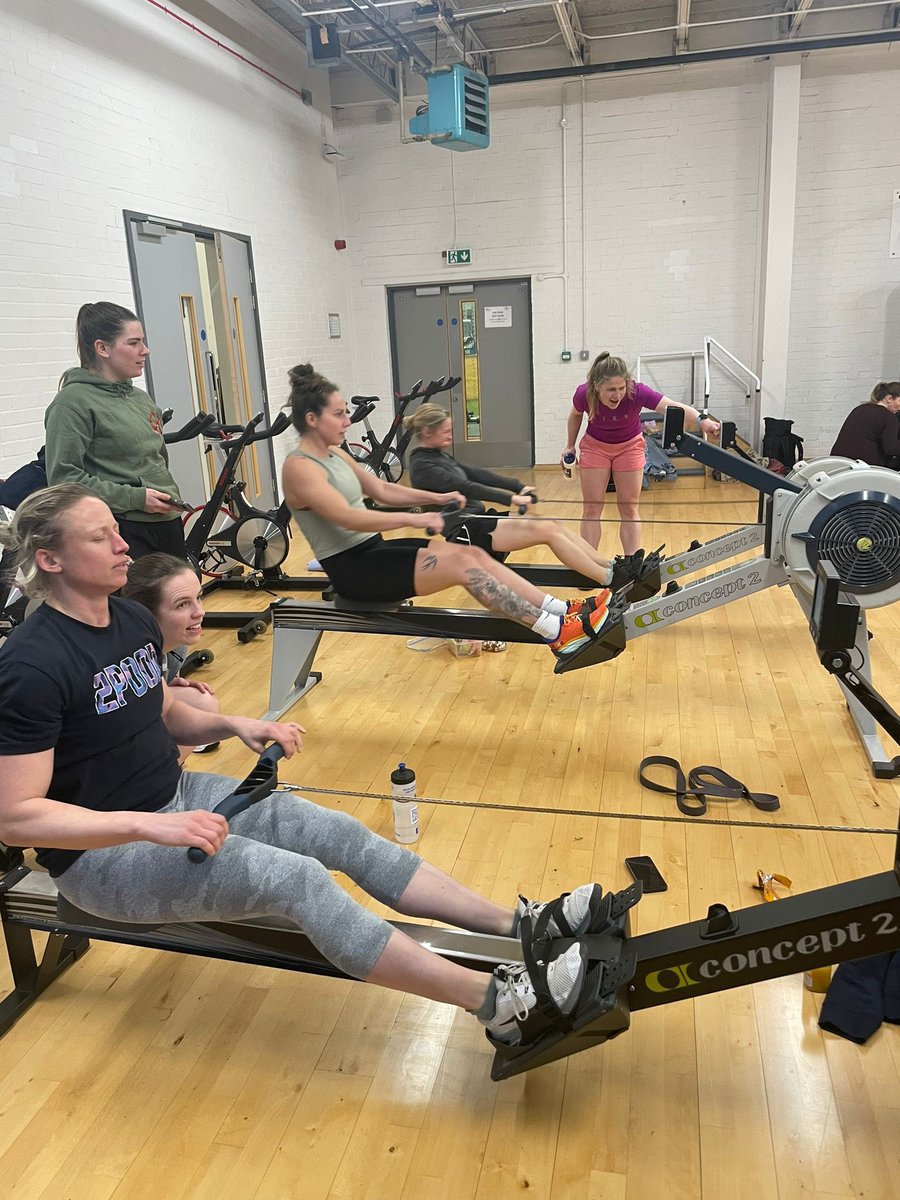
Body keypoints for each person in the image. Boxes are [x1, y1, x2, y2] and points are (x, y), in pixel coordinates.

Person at [0, 482, 604, 1048]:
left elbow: (160, 710)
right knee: (296, 880)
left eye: (116, 530)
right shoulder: (32, 664)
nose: (123, 543)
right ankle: (497, 1005)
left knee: (336, 832)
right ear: (50, 560)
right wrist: (147, 826)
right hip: (103, 860)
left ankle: (519, 924)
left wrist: (234, 724)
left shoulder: (129, 618)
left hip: (178, 798)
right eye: (99, 536)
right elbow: (17, 818)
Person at [282, 365, 619, 666]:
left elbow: (383, 491)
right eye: (339, 414)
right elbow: (348, 518)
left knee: (471, 554)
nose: (347, 421)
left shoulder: (337, 455)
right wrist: (415, 518)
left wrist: (436, 497)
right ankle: (556, 632)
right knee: (464, 567)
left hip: (374, 552)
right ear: (312, 419)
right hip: (354, 571)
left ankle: (561, 610)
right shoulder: (300, 468)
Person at [406, 403, 649, 589]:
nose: (450, 435)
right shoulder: (422, 466)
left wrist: (517, 486)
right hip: (464, 533)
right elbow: (466, 485)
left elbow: (475, 474)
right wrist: (511, 500)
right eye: (446, 431)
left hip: (477, 522)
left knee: (553, 524)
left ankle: (614, 566)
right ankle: (610, 580)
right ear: (428, 432)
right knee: (547, 532)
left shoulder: (438, 455)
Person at [44, 302, 187, 560]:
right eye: (133, 343)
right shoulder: (72, 403)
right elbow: (64, 479)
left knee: (180, 597)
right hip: (124, 528)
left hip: (167, 522)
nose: (145, 351)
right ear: (102, 348)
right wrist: (135, 498)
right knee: (134, 602)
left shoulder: (141, 399)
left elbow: (157, 461)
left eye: (143, 341)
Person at [561, 352, 720, 553]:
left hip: (629, 447)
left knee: (629, 508)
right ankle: (588, 563)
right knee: (592, 508)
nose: (617, 395)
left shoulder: (637, 391)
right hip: (595, 447)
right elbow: (574, 415)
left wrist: (701, 420)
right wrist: (569, 445)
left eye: (621, 388)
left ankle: (631, 565)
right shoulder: (583, 394)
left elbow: (671, 406)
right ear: (596, 386)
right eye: (611, 389)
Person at [123, 553, 220, 763]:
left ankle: (168, 775)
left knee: (200, 701)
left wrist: (163, 684)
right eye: (182, 605)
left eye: (199, 597)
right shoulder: (125, 658)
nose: (200, 612)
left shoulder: (174, 647)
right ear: (146, 613)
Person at [830, 382, 900, 467]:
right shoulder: (889, 417)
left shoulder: (860, 408)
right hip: (863, 467)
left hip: (837, 462)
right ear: (889, 398)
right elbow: (891, 448)